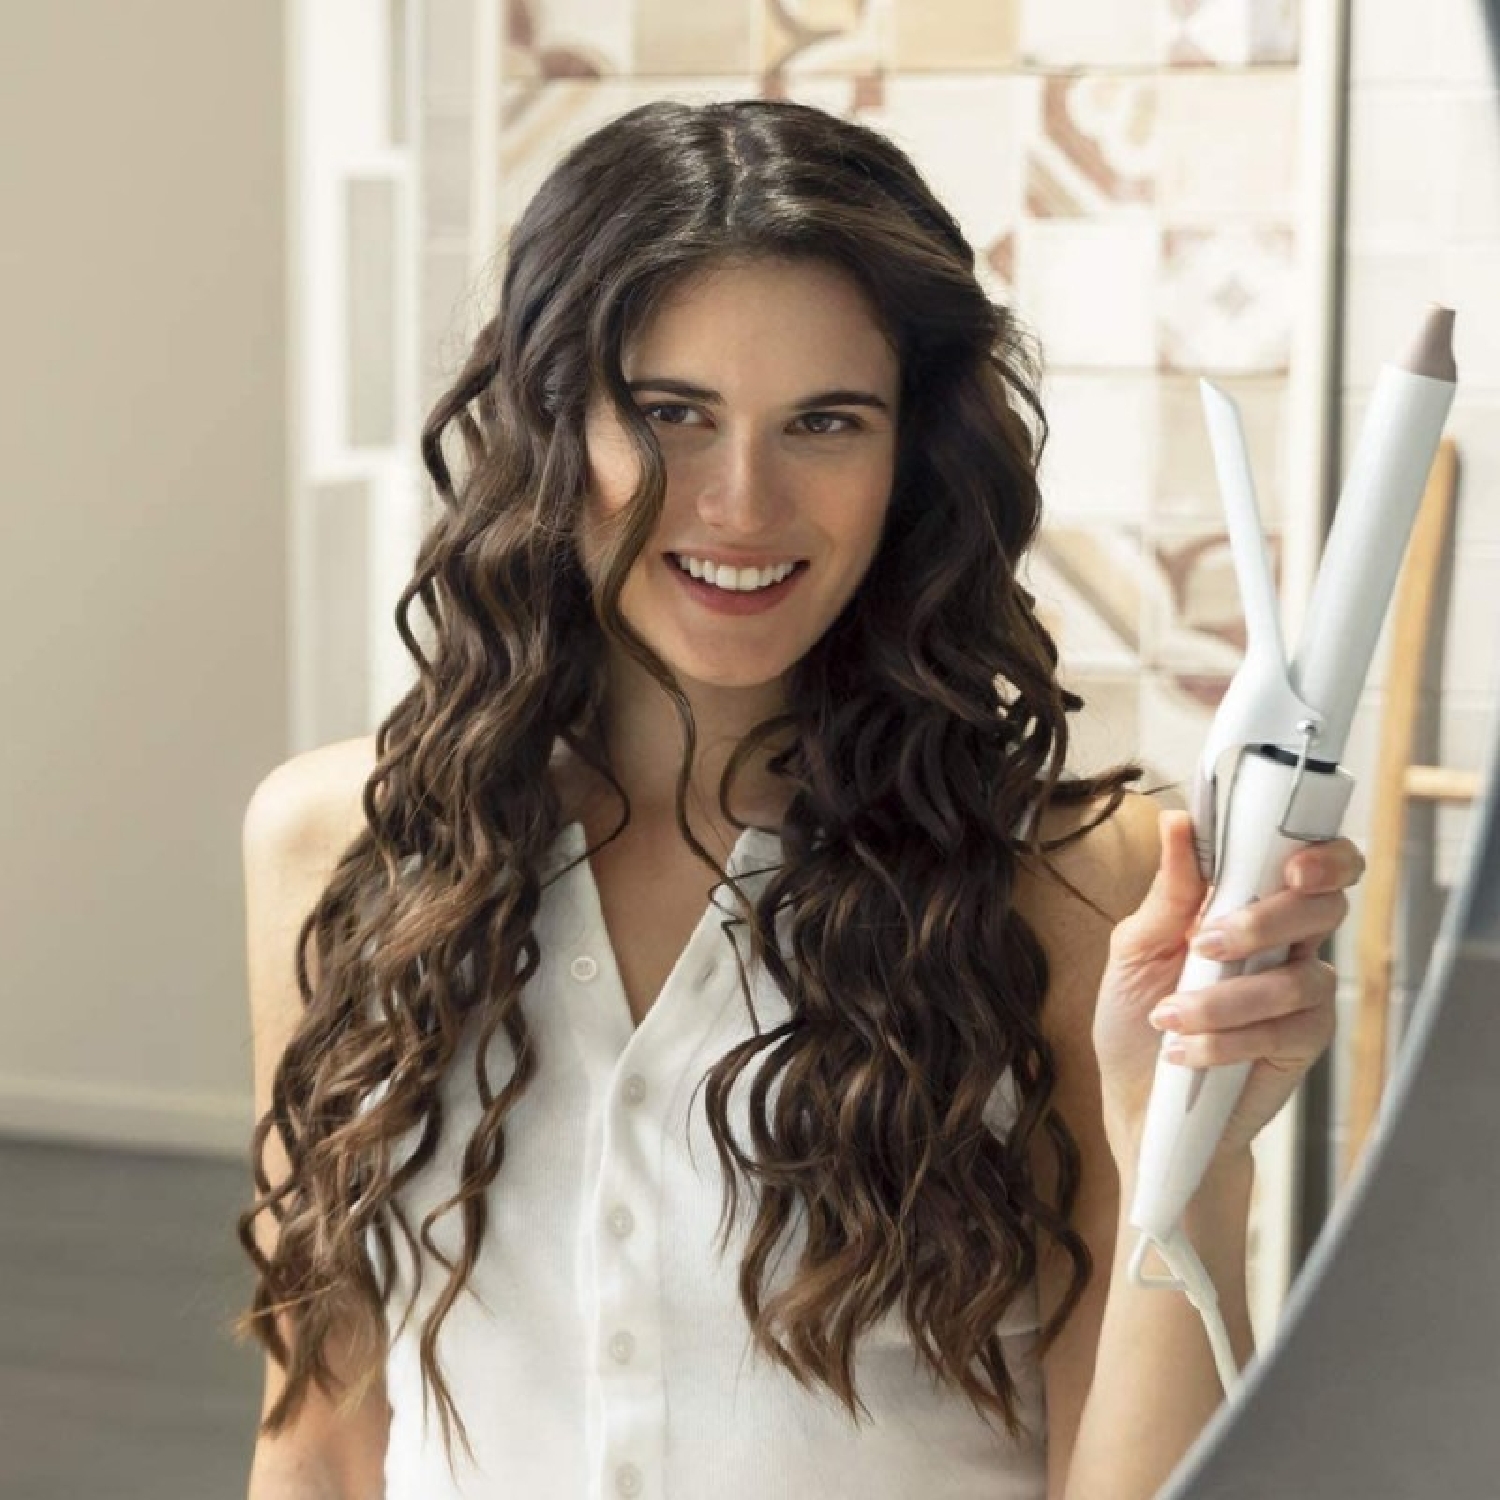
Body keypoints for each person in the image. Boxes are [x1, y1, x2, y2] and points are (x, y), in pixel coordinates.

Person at [237, 99, 1361, 1500]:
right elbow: (318, 1442)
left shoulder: (1077, 885)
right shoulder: (336, 847)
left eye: (826, 422)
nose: (742, 502)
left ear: (910, 458)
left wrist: (1195, 1151)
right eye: (671, 414)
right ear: (549, 423)